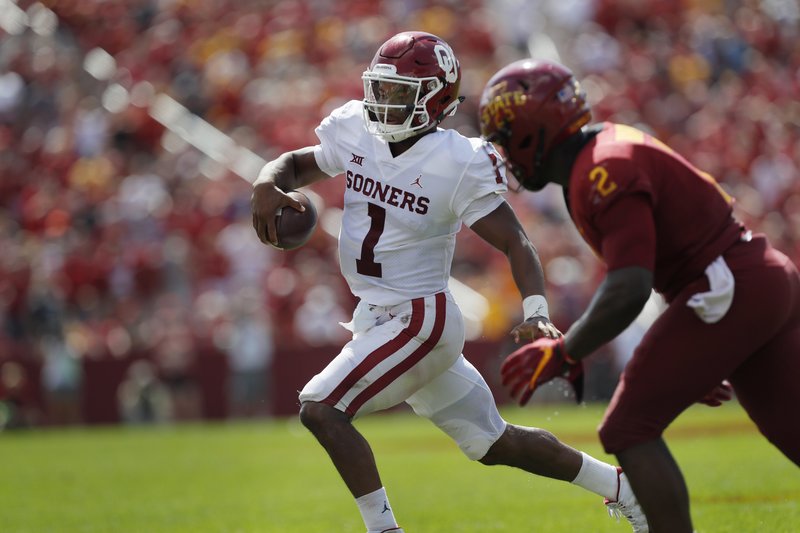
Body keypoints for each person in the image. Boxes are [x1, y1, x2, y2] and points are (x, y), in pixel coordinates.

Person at [251, 32, 647, 533]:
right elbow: (294, 164)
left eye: (399, 93)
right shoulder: (356, 127)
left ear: (434, 99)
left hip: (420, 318)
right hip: (380, 314)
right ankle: (623, 488)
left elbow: (516, 241)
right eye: (381, 88)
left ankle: (384, 529)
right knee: (493, 443)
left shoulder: (456, 161)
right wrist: (267, 182)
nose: (382, 102)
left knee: (321, 408)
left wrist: (537, 312)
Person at [478, 58, 800, 533]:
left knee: (626, 427)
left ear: (533, 131)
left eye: (506, 136)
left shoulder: (603, 168)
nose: (504, 150)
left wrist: (568, 350)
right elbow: (672, 258)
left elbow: (630, 285)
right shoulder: (602, 154)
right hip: (747, 280)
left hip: (729, 285)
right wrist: (700, 349)